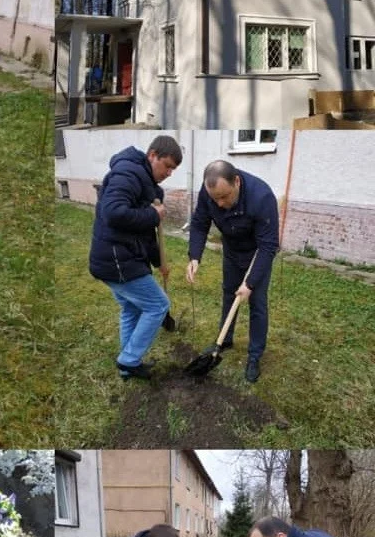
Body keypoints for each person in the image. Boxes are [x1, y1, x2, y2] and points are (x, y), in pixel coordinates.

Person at [89, 136, 180, 380]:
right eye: (167, 166)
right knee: (158, 305)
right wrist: (153, 215)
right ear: (152, 155)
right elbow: (113, 212)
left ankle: (126, 365)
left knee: (131, 308)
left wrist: (158, 262)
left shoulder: (150, 186)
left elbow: (146, 233)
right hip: (116, 259)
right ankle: (129, 360)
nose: (169, 173)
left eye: (173, 169)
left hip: (121, 256)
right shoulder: (128, 173)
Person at [187, 160, 279, 383]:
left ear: (236, 182)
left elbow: (268, 246)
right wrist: (195, 256)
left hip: (257, 253)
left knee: (257, 303)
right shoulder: (209, 192)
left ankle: (254, 356)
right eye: (215, 198)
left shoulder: (261, 197)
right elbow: (199, 223)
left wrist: (250, 283)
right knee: (229, 293)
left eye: (224, 197)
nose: (220, 203)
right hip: (232, 251)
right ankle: (224, 339)